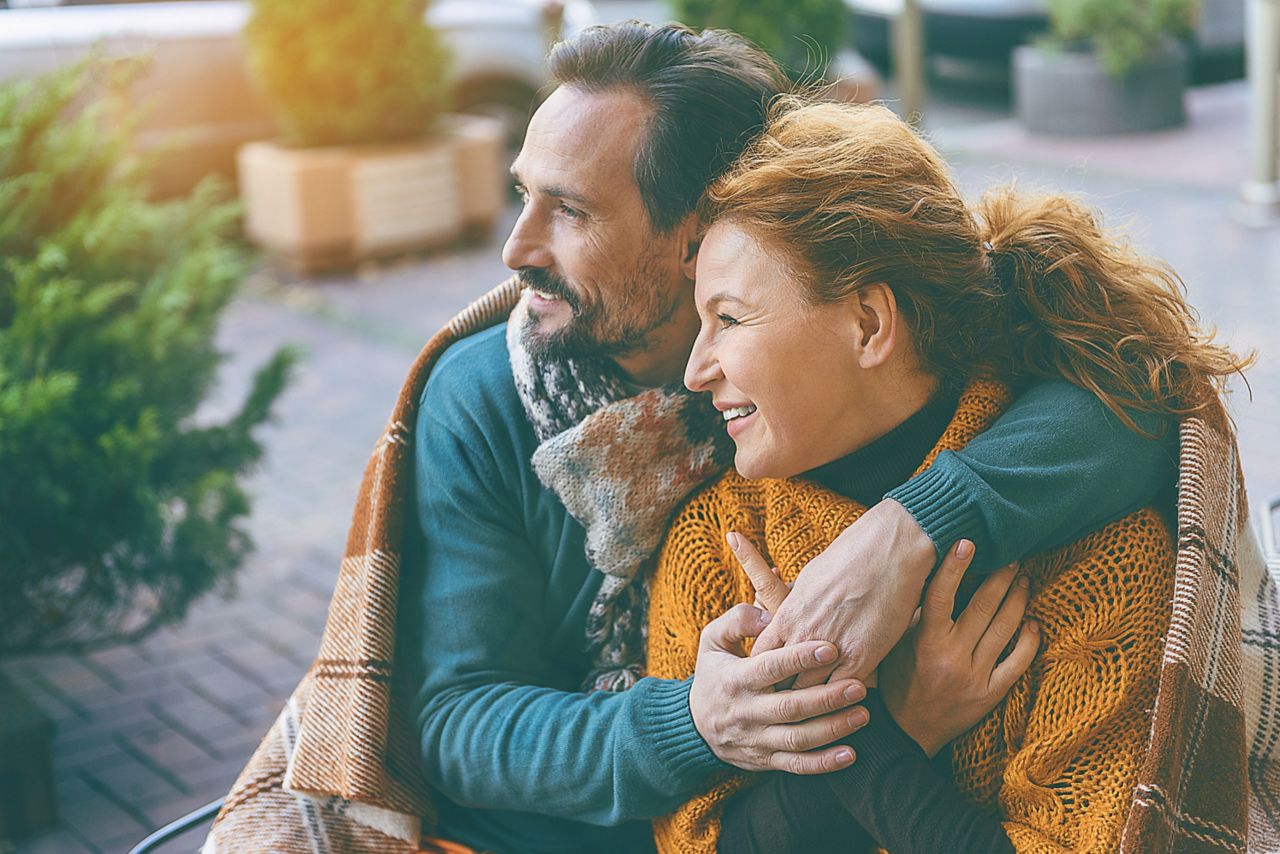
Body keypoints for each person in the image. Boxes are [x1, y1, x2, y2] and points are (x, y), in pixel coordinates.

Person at [203, 21, 1178, 854]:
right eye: (522, 191)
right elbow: (453, 720)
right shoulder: (485, 394)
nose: (514, 247)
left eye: (569, 209)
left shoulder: (832, 318)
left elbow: (1130, 402)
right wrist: (707, 721)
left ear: (703, 226)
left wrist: (908, 528)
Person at [645, 97, 1252, 852]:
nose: (695, 370)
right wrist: (894, 721)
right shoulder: (714, 546)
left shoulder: (1100, 558)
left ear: (868, 323)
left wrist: (840, 726)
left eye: (729, 319)